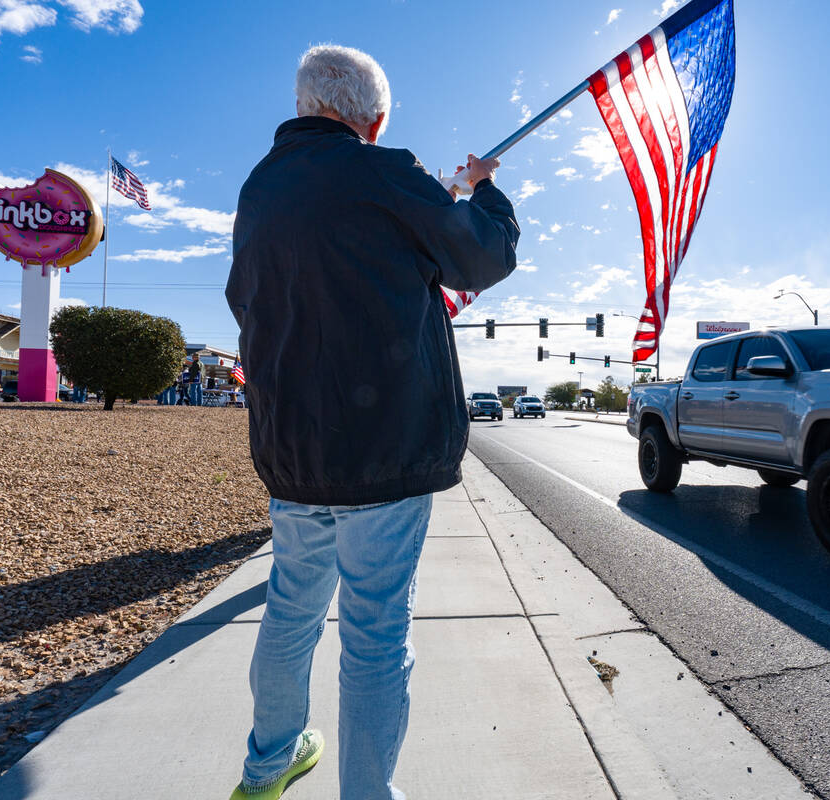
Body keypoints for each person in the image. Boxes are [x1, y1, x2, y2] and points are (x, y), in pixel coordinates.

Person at [224, 44, 518, 800]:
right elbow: (481, 258)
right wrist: (484, 192)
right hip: (383, 448)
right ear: (374, 120)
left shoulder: (260, 190)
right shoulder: (387, 172)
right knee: (375, 637)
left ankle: (266, 766)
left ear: (301, 107)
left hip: (293, 449)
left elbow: (242, 300)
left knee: (291, 610)